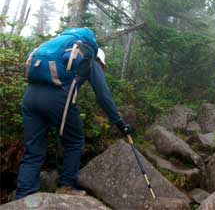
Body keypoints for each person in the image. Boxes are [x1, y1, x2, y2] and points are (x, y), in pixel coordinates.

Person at [15, 42, 133, 199]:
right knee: (74, 142)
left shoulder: (55, 53)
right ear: (99, 60)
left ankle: (23, 196)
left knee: (33, 151)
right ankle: (66, 185)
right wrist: (119, 123)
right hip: (58, 99)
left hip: (30, 97)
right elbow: (103, 96)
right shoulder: (91, 59)